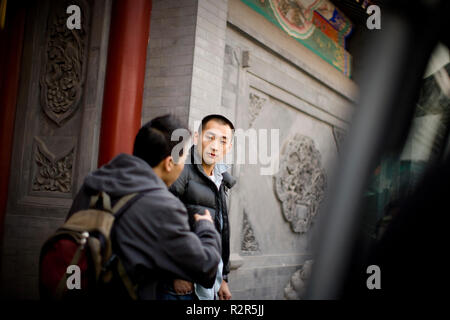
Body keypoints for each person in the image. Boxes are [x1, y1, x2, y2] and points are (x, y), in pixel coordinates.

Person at [66, 114, 222, 299]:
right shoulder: (161, 206)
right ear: (169, 163)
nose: (184, 163)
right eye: (184, 156)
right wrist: (206, 226)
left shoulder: (92, 185)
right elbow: (204, 268)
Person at [167, 114, 236, 300]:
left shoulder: (221, 179)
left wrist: (223, 278)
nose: (215, 146)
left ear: (229, 147)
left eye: (223, 141)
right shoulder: (181, 170)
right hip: (182, 283)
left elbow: (221, 231)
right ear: (197, 138)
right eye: (210, 137)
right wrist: (177, 273)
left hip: (209, 280)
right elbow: (164, 223)